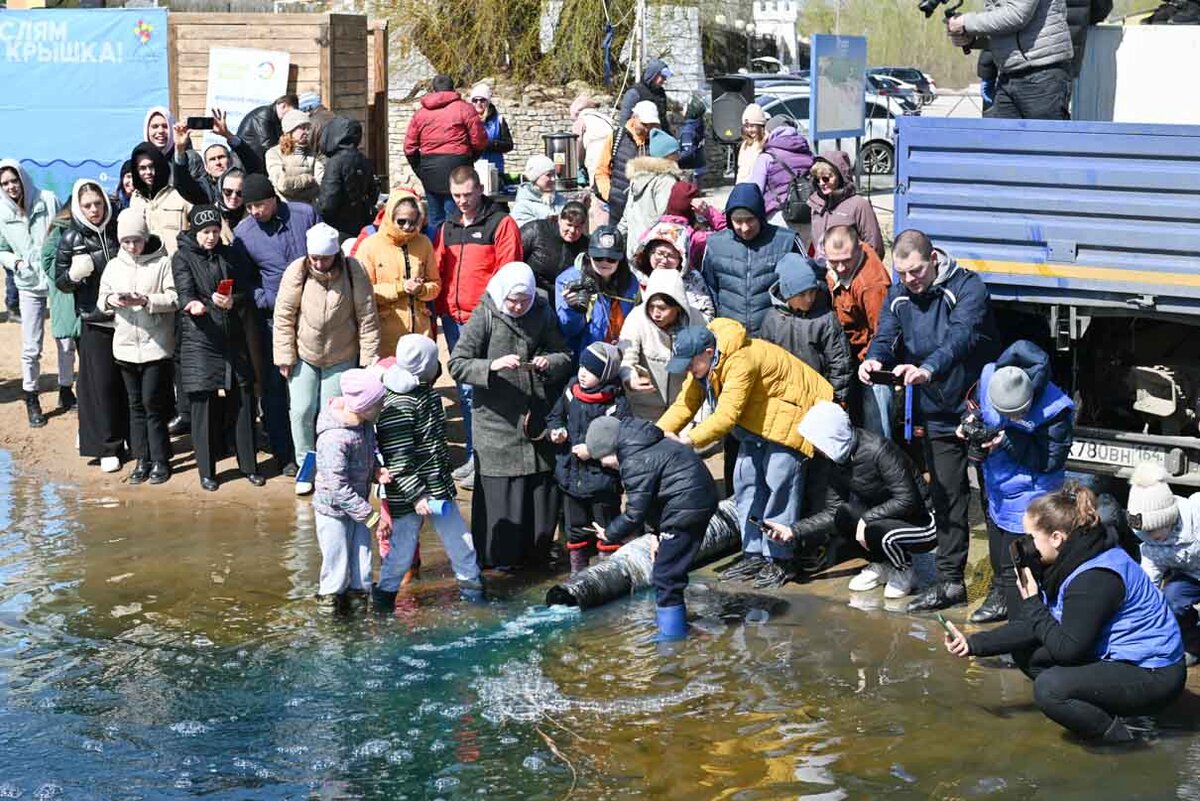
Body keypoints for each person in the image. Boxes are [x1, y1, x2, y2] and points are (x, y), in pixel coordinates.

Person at [944, 484, 1186, 744]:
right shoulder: (1070, 557)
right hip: (1118, 656)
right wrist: (973, 644)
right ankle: (1099, 707)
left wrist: (1033, 600)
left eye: (1030, 538)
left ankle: (1121, 739)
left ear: (1057, 537)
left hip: (1155, 673)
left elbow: (1068, 649)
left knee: (1050, 689)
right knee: (1030, 655)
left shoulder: (1095, 577)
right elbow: (1034, 627)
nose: (1024, 546)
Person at [861, 229, 1000, 611]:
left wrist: (927, 369)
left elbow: (961, 338)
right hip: (935, 408)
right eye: (902, 273)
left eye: (916, 271)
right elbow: (887, 333)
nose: (910, 280)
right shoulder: (900, 291)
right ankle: (951, 582)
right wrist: (875, 360)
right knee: (947, 495)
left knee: (995, 498)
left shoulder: (967, 287)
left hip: (976, 404)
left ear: (934, 258)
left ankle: (1006, 587)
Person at [658, 321, 834, 588]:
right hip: (756, 423)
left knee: (779, 482)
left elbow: (727, 416)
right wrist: (655, 436)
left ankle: (780, 559)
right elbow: (685, 404)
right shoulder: (703, 366)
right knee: (745, 482)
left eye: (690, 363)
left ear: (707, 351)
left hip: (791, 414)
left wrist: (688, 440)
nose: (688, 370)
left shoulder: (741, 361)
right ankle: (753, 553)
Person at [447, 262, 572, 570]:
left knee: (538, 490)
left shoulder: (541, 310)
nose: (517, 306)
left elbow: (565, 356)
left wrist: (548, 362)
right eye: (512, 301)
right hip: (496, 421)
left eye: (523, 301)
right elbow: (457, 363)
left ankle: (537, 555)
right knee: (503, 491)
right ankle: (498, 561)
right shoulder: (486, 314)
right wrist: (492, 365)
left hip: (534, 418)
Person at [765, 400, 937, 597]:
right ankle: (882, 564)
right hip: (884, 517)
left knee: (878, 530)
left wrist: (867, 518)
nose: (815, 449)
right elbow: (832, 512)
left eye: (817, 442)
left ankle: (904, 570)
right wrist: (792, 531)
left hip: (922, 520)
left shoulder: (879, 450)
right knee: (843, 515)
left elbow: (908, 500)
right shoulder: (838, 460)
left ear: (832, 437)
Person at [375, 335, 485, 608]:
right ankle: (383, 601)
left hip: (438, 490)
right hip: (410, 495)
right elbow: (399, 460)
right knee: (401, 554)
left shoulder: (428, 394)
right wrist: (417, 496)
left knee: (462, 544)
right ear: (424, 366)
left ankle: (474, 595)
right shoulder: (397, 406)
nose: (439, 365)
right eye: (434, 360)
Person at [585, 415, 718, 640]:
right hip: (694, 502)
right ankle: (679, 625)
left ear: (610, 449)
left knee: (666, 575)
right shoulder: (645, 443)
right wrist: (656, 535)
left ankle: (672, 638)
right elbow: (655, 499)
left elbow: (634, 513)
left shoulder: (634, 460)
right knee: (668, 569)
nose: (604, 465)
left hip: (687, 509)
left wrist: (608, 534)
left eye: (602, 459)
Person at [970, 340, 1075, 623]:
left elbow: (1050, 461)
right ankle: (1003, 599)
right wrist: (970, 424)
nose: (1007, 419)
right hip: (999, 488)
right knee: (998, 556)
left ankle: (1025, 627)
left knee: (1021, 564)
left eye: (1014, 415)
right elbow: (977, 411)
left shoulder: (1057, 409)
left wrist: (1006, 441)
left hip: (1034, 494)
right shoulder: (991, 375)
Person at [273, 222, 380, 494]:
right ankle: (306, 467)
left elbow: (367, 317)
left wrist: (369, 359)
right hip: (304, 354)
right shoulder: (296, 271)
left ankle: (332, 466)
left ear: (335, 254)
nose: (319, 263)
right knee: (301, 411)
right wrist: (285, 355)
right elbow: (284, 316)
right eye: (315, 258)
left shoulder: (354, 272)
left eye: (325, 257)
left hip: (341, 354)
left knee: (333, 416)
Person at [435, 165, 523, 488]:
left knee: (482, 392)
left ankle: (483, 460)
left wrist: (493, 316)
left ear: (479, 189)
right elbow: (440, 268)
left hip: (483, 319)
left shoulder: (501, 224)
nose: (462, 201)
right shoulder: (448, 226)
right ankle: (475, 456)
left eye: (468, 194)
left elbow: (508, 272)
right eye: (456, 195)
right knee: (465, 391)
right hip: (454, 318)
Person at [231, 173, 321, 473]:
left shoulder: (304, 214)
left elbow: (325, 253)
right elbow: (245, 280)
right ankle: (285, 455)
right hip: (273, 321)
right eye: (249, 207)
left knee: (312, 386)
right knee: (275, 388)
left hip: (315, 314)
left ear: (273, 198)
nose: (255, 212)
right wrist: (266, 299)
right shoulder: (244, 233)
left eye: (259, 205)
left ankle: (318, 449)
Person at [173, 205, 264, 491]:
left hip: (232, 336)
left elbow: (244, 290)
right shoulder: (182, 257)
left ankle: (249, 465)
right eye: (205, 232)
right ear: (194, 232)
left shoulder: (230, 254)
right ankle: (207, 471)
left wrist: (232, 300)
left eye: (214, 231)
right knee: (204, 405)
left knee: (244, 396)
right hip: (201, 338)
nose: (211, 237)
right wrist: (197, 304)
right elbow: (185, 293)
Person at [96, 210, 177, 485]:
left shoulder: (162, 263)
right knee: (135, 405)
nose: (132, 246)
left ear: (145, 238)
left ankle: (162, 459)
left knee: (152, 403)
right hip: (125, 347)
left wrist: (146, 301)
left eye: (137, 240)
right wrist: (111, 301)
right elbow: (100, 301)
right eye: (127, 241)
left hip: (156, 345)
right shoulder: (113, 266)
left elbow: (174, 298)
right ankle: (142, 459)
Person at [55, 180, 127, 473]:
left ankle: (129, 438)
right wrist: (73, 275)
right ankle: (106, 446)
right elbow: (60, 282)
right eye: (87, 206)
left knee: (126, 382)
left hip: (124, 318)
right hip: (93, 319)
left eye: (97, 203)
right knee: (100, 386)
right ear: (78, 208)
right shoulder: (71, 238)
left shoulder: (116, 230)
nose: (94, 209)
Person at [546, 341, 631, 574]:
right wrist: (557, 431)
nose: (583, 374)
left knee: (607, 526)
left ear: (604, 375)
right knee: (575, 528)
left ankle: (608, 570)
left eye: (591, 371)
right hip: (570, 476)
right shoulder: (570, 391)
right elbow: (555, 417)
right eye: (582, 367)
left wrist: (593, 451)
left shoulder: (616, 404)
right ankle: (578, 571)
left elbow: (623, 441)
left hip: (602, 480)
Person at [310, 367, 386, 611]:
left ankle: (359, 601)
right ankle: (329, 608)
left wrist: (375, 471)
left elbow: (366, 454)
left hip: (358, 507)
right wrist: (370, 516)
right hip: (333, 511)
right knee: (337, 563)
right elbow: (337, 486)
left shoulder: (364, 424)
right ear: (361, 405)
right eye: (377, 403)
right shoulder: (334, 438)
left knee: (363, 562)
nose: (381, 407)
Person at [0, 159, 65, 427]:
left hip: (56, 280)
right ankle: (31, 395)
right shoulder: (1, 211)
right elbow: (2, 247)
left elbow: (64, 229)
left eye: (14, 180)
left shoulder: (48, 199)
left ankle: (66, 389)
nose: (11, 187)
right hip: (27, 283)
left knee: (65, 339)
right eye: (4, 183)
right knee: (31, 345)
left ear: (23, 178)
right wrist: (15, 263)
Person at [947, 0, 1074, 121]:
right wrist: (972, 39)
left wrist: (966, 22)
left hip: (1042, 74)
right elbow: (1003, 25)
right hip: (1008, 75)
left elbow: (1017, 14)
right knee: (1001, 140)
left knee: (1044, 141)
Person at [701, 183, 799, 339]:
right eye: (738, 221)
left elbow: (805, 286)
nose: (745, 228)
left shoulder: (786, 241)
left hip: (776, 336)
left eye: (750, 220)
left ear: (760, 216)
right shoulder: (714, 244)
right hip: (731, 336)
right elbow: (708, 291)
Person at [823, 225, 893, 437]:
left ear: (858, 250)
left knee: (876, 423)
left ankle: (882, 461)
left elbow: (883, 332)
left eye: (847, 260)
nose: (841, 268)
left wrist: (870, 364)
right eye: (835, 261)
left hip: (870, 358)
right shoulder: (835, 266)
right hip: (846, 352)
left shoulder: (871, 285)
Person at [760, 253, 853, 407]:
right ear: (787, 293)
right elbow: (765, 361)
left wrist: (838, 398)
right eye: (802, 294)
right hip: (784, 398)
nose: (809, 299)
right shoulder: (771, 320)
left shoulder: (826, 319)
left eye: (812, 292)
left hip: (820, 398)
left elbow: (840, 361)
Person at [354, 189, 439, 356]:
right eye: (401, 221)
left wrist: (421, 290)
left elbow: (435, 285)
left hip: (419, 334)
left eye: (413, 222)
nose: (407, 227)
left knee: (421, 382)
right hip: (385, 336)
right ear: (390, 216)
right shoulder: (370, 246)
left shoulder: (424, 243)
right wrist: (401, 288)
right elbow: (362, 291)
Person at [404, 75, 488, 237]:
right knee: (456, 217)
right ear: (453, 88)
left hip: (430, 169)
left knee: (435, 219)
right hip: (458, 166)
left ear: (433, 90)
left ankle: (435, 256)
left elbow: (409, 147)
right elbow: (479, 140)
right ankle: (454, 254)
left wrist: (420, 170)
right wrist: (470, 159)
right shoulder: (465, 109)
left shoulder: (421, 114)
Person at [618, 267, 706, 422]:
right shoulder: (636, 319)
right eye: (651, 306)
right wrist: (630, 378)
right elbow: (627, 358)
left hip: (684, 408)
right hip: (644, 410)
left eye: (662, 308)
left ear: (678, 307)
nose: (655, 313)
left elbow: (706, 367)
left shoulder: (696, 321)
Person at [555, 226, 640, 359]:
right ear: (589, 255)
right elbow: (568, 331)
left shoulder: (631, 283)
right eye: (598, 257)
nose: (605, 262)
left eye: (612, 258)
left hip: (618, 356)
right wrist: (573, 310)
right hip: (582, 359)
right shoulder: (569, 280)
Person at [617, 129, 682, 261]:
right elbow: (664, 217)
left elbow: (627, 215)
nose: (679, 156)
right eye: (675, 152)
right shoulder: (666, 181)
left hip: (634, 246)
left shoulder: (638, 177)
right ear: (667, 155)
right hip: (654, 250)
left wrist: (617, 235)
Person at [630, 220, 714, 321]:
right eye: (660, 253)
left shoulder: (692, 279)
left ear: (682, 258)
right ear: (649, 252)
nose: (664, 260)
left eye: (672, 256)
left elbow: (706, 317)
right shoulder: (639, 277)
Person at [39, 208, 80, 414]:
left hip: (84, 296)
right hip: (63, 294)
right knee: (66, 346)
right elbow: (47, 261)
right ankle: (65, 389)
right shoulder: (58, 231)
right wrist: (69, 271)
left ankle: (78, 390)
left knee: (83, 347)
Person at [806, 152, 885, 260]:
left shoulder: (859, 205)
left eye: (826, 178)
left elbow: (875, 248)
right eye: (817, 179)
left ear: (839, 176)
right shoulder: (815, 204)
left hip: (850, 272)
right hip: (821, 273)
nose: (821, 183)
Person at [175, 109, 262, 205]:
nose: (218, 162)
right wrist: (180, 149)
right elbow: (183, 185)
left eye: (221, 157)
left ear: (230, 161)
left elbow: (253, 163)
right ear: (207, 168)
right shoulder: (205, 188)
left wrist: (227, 135)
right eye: (212, 159)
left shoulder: (242, 179)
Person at [594, 100, 658, 227]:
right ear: (634, 118)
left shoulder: (658, 141)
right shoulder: (617, 137)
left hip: (647, 211)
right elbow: (601, 170)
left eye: (651, 125)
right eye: (644, 124)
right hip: (618, 207)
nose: (648, 128)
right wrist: (609, 195)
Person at [316, 116, 377, 242]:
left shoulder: (335, 162)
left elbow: (328, 203)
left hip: (338, 227)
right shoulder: (364, 159)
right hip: (361, 224)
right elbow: (373, 193)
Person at [128, 142, 193, 257]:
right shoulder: (135, 199)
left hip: (179, 267)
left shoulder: (179, 193)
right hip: (148, 267)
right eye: (142, 168)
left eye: (152, 166)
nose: (148, 172)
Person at [751, 118, 815, 226]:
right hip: (808, 213)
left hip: (777, 216)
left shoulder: (767, 157)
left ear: (771, 132)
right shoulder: (808, 153)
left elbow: (755, 191)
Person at [520, 201, 589, 297]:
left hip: (565, 294)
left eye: (577, 227)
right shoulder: (536, 230)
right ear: (560, 220)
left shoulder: (586, 246)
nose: (572, 231)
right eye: (569, 225)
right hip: (533, 290)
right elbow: (513, 259)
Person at [571, 95, 616, 229]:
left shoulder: (581, 121)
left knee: (599, 201)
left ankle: (600, 234)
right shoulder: (607, 120)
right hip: (613, 163)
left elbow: (577, 146)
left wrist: (579, 166)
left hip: (596, 166)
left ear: (576, 111)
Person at [658, 181, 726, 269]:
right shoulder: (695, 238)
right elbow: (728, 233)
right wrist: (708, 212)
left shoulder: (652, 232)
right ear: (693, 209)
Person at [266, 110, 324, 206]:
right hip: (285, 208)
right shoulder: (274, 153)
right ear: (290, 130)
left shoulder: (312, 154)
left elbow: (320, 184)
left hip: (309, 208)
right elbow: (282, 185)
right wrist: (308, 179)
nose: (307, 132)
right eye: (302, 128)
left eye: (308, 128)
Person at [236, 94, 296, 165]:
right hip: (246, 161)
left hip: (254, 160)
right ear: (283, 106)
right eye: (290, 112)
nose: (290, 116)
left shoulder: (275, 118)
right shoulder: (265, 114)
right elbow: (267, 144)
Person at [617, 59, 673, 135]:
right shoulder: (634, 93)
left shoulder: (661, 93)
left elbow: (663, 119)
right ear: (653, 75)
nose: (664, 80)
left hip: (656, 136)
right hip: (637, 137)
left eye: (665, 77)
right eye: (662, 76)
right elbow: (624, 120)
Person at [510, 154, 566, 229]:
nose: (553, 179)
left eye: (554, 174)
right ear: (535, 178)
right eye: (548, 175)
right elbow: (525, 236)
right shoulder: (523, 206)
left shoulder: (560, 200)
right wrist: (548, 223)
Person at [469, 83, 513, 176]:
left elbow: (509, 145)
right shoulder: (467, 120)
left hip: (494, 169)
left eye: (482, 100)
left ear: (488, 102)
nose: (478, 103)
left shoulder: (499, 120)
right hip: (473, 168)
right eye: (475, 100)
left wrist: (490, 144)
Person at [676, 93, 708, 181]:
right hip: (699, 167)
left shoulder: (688, 130)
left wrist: (674, 158)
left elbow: (687, 152)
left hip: (690, 172)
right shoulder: (698, 125)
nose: (681, 110)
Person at [736, 103, 767, 184]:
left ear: (760, 126)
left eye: (752, 126)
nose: (749, 130)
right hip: (744, 186)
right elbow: (741, 169)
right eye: (746, 126)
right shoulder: (745, 145)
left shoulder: (767, 142)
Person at [215, 169, 246, 244]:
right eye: (228, 192)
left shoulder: (253, 216)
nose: (233, 197)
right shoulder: (211, 215)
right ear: (220, 191)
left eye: (239, 193)